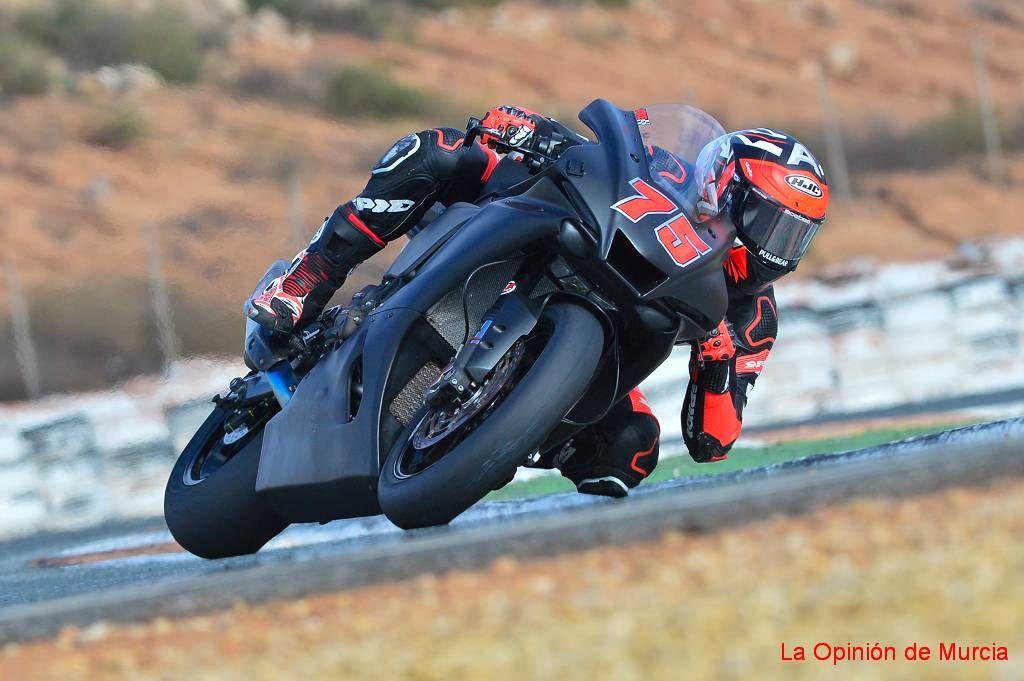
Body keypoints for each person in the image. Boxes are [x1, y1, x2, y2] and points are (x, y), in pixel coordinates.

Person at [246, 106, 829, 497]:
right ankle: (306, 278)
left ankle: (494, 436)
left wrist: (718, 357)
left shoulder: (753, 316)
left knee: (631, 452)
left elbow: (713, 440)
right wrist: (532, 130)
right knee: (437, 152)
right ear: (722, 187)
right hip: (552, 240)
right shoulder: (672, 172)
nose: (776, 250)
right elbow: (599, 155)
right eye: (769, 224)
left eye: (793, 238)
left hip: (601, 355)